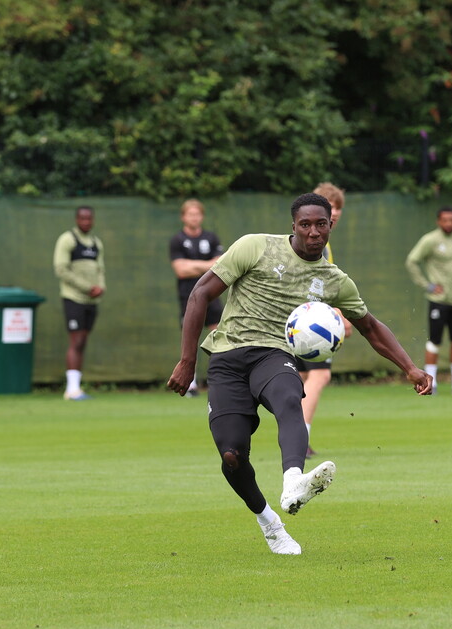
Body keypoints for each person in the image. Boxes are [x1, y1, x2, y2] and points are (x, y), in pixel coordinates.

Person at [167, 193, 432, 555]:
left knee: (291, 398)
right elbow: (200, 294)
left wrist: (410, 368)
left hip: (275, 354)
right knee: (231, 454)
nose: (312, 232)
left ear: (330, 226)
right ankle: (269, 523)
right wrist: (186, 361)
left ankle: (293, 481)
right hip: (227, 357)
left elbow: (370, 327)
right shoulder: (255, 247)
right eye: (305, 224)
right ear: (293, 225)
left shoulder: (334, 279)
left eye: (320, 224)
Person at [297, 183, 353, 458]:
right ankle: (300, 439)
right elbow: (316, 287)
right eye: (333, 211)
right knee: (320, 375)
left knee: (302, 378)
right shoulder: (318, 245)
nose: (336, 217)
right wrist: (341, 317)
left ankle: (293, 435)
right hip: (307, 322)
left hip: (296, 319)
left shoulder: (318, 242)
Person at [405, 206, 452, 395]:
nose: (448, 223)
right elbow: (412, 261)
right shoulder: (430, 240)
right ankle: (431, 384)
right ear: (438, 221)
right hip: (438, 301)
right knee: (434, 342)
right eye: (444, 220)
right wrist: (427, 285)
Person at [169, 198, 224, 397]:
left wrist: (193, 265)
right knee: (190, 337)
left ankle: (220, 379)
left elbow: (220, 265)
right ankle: (189, 383)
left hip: (212, 295)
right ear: (183, 217)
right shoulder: (177, 240)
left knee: (219, 335)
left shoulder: (211, 238)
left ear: (202, 216)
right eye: (190, 214)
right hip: (188, 297)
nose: (194, 217)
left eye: (197, 213)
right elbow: (180, 270)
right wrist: (206, 265)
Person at [53, 206, 105, 400]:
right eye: (82, 218)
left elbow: (100, 269)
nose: (86, 222)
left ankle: (76, 387)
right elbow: (61, 269)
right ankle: (71, 390)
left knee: (82, 341)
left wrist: (100, 287)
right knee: (76, 341)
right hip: (73, 298)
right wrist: (86, 287)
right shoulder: (67, 240)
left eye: (89, 218)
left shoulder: (95, 242)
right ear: (76, 219)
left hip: (92, 300)